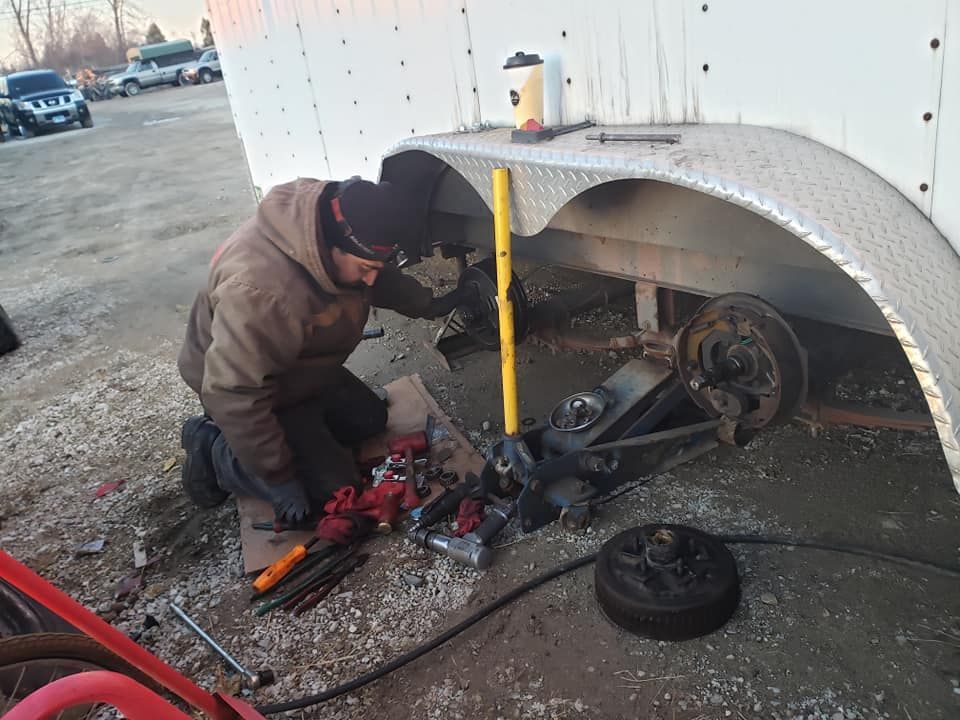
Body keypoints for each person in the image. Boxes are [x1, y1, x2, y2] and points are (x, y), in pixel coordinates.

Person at [176, 177, 475, 523]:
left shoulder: (333, 225)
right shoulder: (262, 292)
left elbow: (378, 275)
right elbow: (234, 392)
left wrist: (431, 304)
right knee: (331, 494)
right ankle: (213, 449)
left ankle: (299, 433)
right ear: (330, 248)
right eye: (365, 269)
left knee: (369, 420)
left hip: (300, 367)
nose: (370, 281)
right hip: (249, 386)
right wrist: (280, 478)